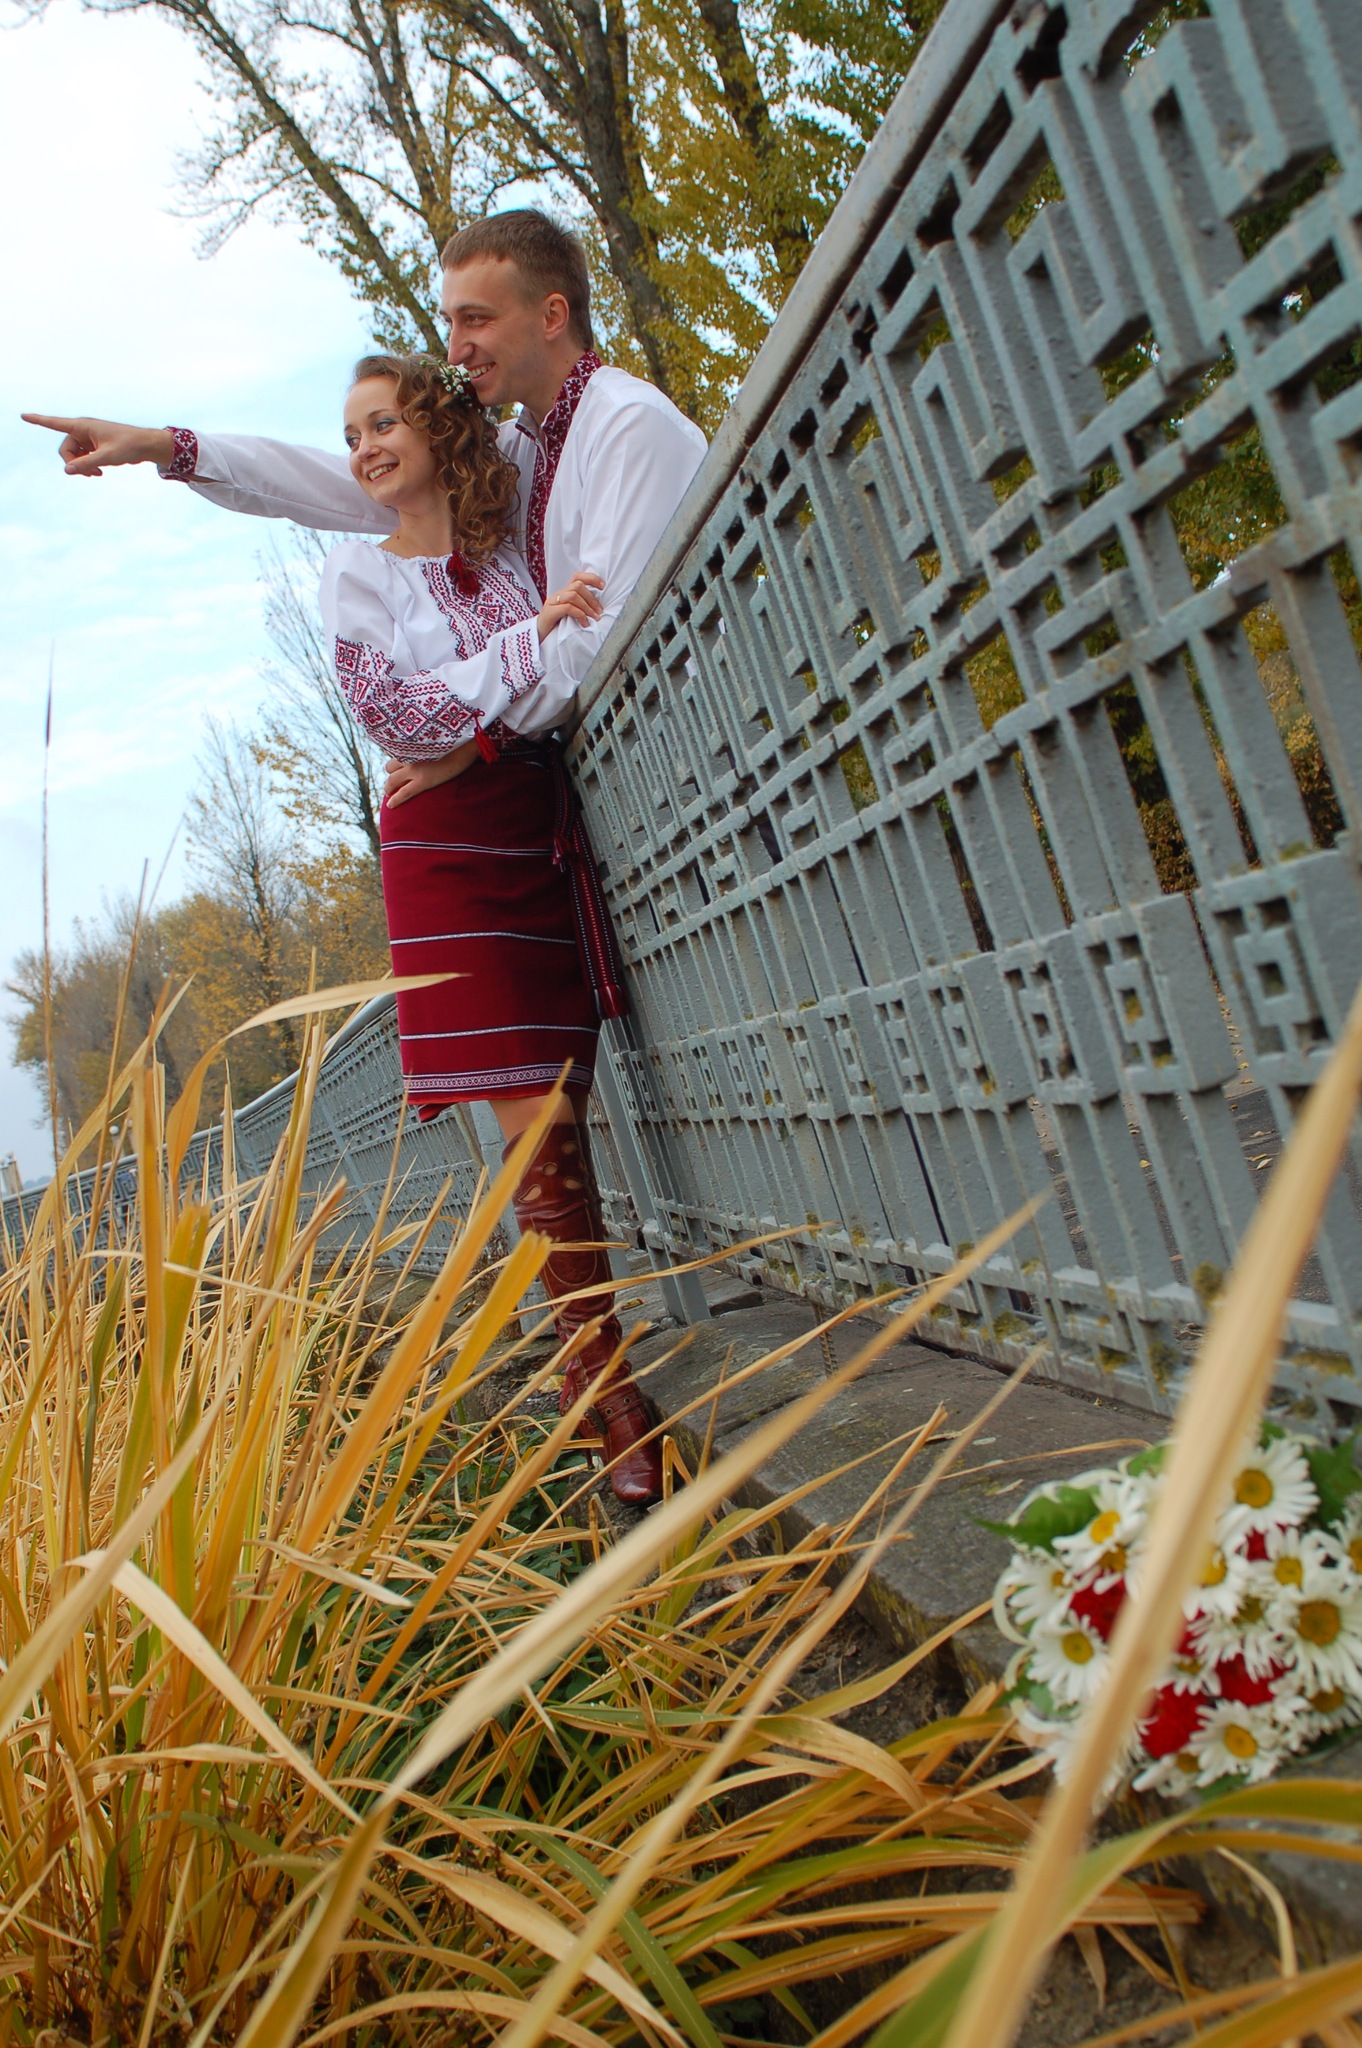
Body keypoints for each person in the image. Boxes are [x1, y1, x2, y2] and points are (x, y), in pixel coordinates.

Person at [25, 210, 708, 1509]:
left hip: (537, 819)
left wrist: (477, 714)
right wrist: (169, 446)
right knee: (530, 1116)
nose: (455, 349)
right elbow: (403, 685)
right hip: (451, 845)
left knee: (562, 1097)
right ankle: (606, 1392)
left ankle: (592, 1372)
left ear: (548, 316)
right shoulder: (393, 551)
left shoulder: (555, 457)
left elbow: (562, 646)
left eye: (473, 322)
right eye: (446, 324)